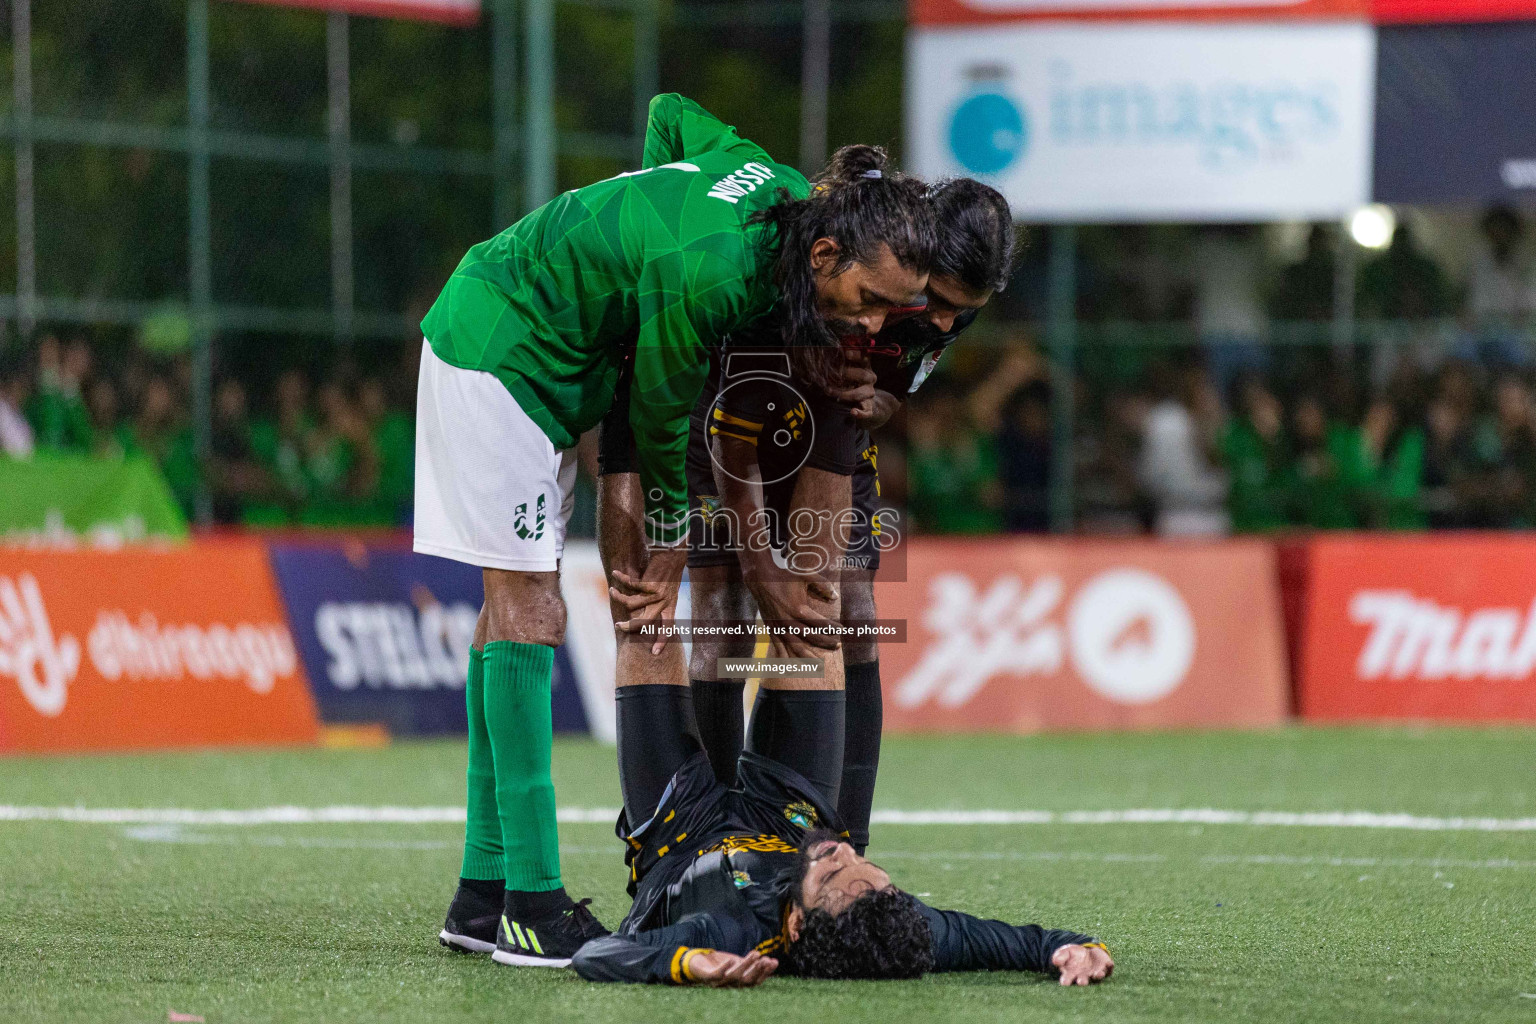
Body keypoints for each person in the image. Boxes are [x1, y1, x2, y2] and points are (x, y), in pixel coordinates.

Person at [423, 93, 935, 968]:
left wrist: (648, 197)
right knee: (530, 617)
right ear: (822, 252)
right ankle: (532, 907)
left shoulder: (769, 181)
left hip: (540, 356)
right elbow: (660, 422)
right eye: (871, 300)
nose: (878, 323)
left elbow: (669, 114)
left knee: (503, 616)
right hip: (503, 354)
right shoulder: (711, 279)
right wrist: (663, 556)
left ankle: (481, 896)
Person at [602, 176, 1012, 858]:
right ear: (913, 260)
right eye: (934, 301)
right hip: (729, 406)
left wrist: (883, 402)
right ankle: (714, 831)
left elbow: (895, 381)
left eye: (961, 311)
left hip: (828, 425)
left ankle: (841, 843)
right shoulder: (845, 265)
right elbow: (738, 437)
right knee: (723, 614)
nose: (942, 320)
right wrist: (763, 563)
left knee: (845, 610)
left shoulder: (937, 302)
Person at [569, 672, 1113, 987]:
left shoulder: (726, 935)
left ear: (800, 928)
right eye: (865, 866)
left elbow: (595, 955)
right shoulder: (904, 923)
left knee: (647, 631)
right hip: (779, 821)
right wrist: (1073, 947)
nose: (845, 850)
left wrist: (682, 963)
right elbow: (1017, 943)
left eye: (833, 873)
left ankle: (711, 622)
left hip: (678, 840)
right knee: (809, 629)